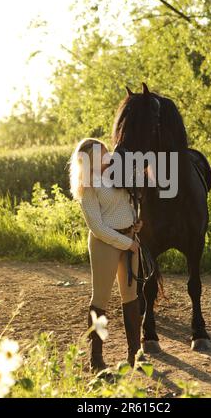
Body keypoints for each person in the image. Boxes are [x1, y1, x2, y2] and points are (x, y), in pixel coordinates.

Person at [70, 138, 144, 372]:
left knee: (130, 297)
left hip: (129, 239)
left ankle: (135, 354)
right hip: (105, 244)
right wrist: (125, 243)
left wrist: (135, 221)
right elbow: (97, 226)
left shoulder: (116, 174)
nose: (108, 156)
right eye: (102, 153)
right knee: (100, 299)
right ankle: (96, 359)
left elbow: (126, 203)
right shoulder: (88, 185)